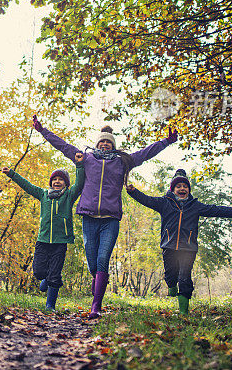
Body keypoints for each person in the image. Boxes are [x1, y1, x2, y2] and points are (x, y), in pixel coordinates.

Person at [32, 115, 177, 318]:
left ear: (114, 145)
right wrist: (42, 130)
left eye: (109, 142)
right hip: (89, 219)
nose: (106, 144)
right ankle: (98, 284)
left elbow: (145, 153)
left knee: (102, 260)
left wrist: (166, 141)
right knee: (93, 264)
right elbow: (62, 145)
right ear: (97, 143)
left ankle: (96, 306)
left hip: (110, 220)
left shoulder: (122, 162)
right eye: (102, 141)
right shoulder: (86, 158)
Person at [126, 169, 232, 315]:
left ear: (189, 190)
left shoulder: (195, 206)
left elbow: (218, 210)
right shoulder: (164, 203)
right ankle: (171, 285)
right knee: (171, 275)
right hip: (169, 246)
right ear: (173, 190)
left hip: (188, 248)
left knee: (185, 278)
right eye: (178, 186)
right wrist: (133, 192)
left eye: (185, 186)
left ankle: (183, 312)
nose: (182, 189)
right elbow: (146, 199)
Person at [1, 152, 85, 312]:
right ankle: (45, 279)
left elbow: (80, 184)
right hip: (43, 240)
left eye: (61, 179)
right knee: (39, 272)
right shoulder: (43, 194)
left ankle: (50, 305)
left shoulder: (69, 196)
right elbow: (27, 185)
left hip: (60, 242)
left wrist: (79, 165)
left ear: (66, 183)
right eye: (55, 179)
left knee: (55, 276)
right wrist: (12, 174)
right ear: (51, 182)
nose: (57, 182)